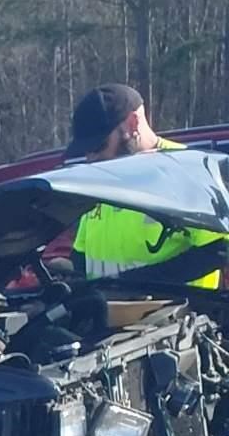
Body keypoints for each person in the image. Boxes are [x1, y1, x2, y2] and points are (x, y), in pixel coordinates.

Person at [65, 83, 222, 288]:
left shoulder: (189, 171)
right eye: (86, 151)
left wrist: (133, 285)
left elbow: (218, 250)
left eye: (98, 146)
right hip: (107, 314)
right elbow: (82, 255)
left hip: (176, 315)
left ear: (132, 124)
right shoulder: (98, 178)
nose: (91, 157)